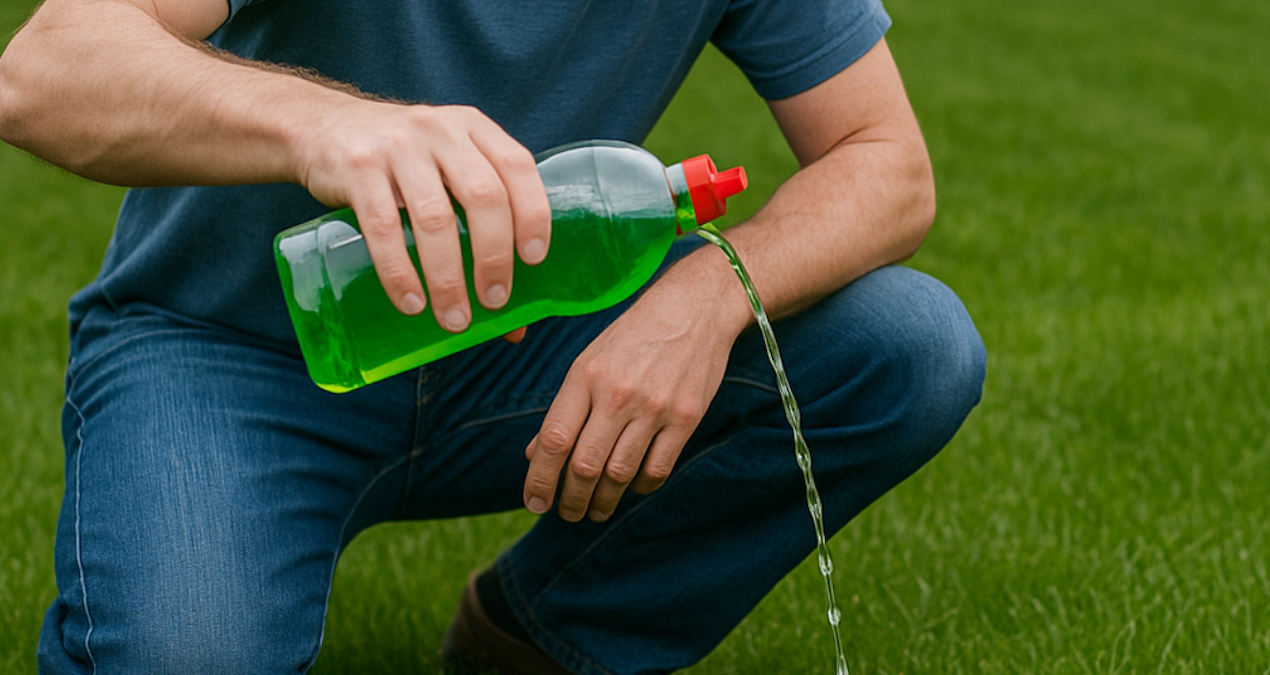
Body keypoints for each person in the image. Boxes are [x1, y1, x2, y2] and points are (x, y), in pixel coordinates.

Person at [0, 0, 986, 672]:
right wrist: (319, 126)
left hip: (523, 351)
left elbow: (885, 161)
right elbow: (46, 69)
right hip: (232, 349)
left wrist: (712, 294)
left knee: (907, 344)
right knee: (189, 655)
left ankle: (544, 635)